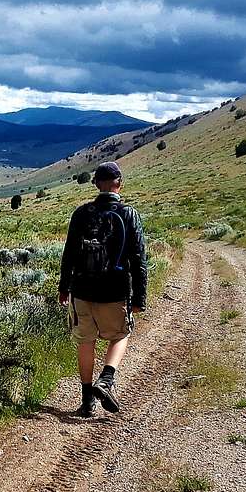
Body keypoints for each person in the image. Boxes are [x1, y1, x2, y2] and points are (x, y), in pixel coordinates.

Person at [58, 161, 147, 416]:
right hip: (115, 291)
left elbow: (69, 254)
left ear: (96, 184)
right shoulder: (129, 214)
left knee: (85, 342)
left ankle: (87, 401)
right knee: (121, 335)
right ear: (120, 183)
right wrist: (140, 297)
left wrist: (64, 288)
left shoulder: (81, 213)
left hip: (82, 289)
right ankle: (106, 380)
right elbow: (139, 259)